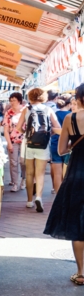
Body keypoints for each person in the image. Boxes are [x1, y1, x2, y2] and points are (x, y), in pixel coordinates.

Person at [44, 84, 84, 285]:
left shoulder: (71, 118)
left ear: (79, 98)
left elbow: (60, 151)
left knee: (77, 223)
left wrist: (72, 146)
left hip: (77, 174)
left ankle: (80, 272)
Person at [15, 87, 61, 212]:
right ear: (43, 97)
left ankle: (29, 200)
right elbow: (57, 127)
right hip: (44, 144)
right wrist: (49, 133)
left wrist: (26, 134)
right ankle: (39, 197)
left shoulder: (26, 110)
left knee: (29, 173)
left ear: (30, 96)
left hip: (29, 144)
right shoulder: (48, 109)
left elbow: (18, 127)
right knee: (40, 173)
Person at [4, 92, 27, 192]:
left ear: (19, 101)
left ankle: (24, 179)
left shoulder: (25, 111)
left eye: (14, 100)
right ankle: (15, 183)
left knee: (23, 161)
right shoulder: (8, 113)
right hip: (13, 139)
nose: (12, 102)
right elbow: (5, 129)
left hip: (25, 140)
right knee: (13, 162)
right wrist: (9, 143)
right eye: (11, 100)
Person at [49, 95, 72, 193]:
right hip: (68, 145)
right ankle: (65, 194)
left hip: (55, 144)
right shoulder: (72, 115)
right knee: (67, 173)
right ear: (70, 104)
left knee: (57, 173)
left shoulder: (54, 114)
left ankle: (57, 195)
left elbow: (51, 130)